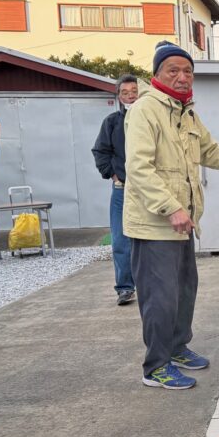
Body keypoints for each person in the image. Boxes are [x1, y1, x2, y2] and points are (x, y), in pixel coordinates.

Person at [124, 41, 219, 390]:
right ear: (156, 75)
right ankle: (156, 366)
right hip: (155, 223)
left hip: (182, 222)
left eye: (187, 71)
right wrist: (172, 207)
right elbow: (139, 168)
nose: (181, 77)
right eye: (172, 70)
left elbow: (209, 151)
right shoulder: (145, 110)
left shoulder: (185, 111)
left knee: (184, 290)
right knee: (160, 297)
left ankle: (177, 348)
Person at [92, 74, 139, 305]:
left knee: (151, 238)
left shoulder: (150, 119)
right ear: (118, 96)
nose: (130, 95)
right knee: (121, 240)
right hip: (122, 189)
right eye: (125, 92)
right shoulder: (111, 122)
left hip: (149, 189)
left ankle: (150, 283)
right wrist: (113, 173)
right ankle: (125, 287)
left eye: (134, 91)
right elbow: (100, 151)